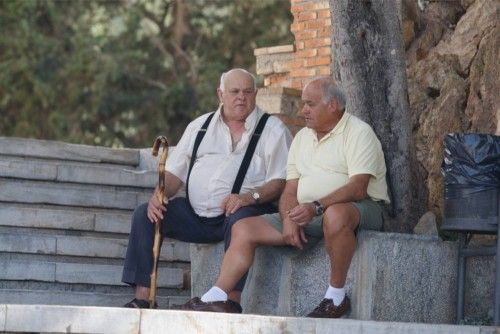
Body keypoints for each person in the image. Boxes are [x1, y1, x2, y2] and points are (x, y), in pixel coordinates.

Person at [179, 77, 390, 317]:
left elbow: (358, 188)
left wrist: (317, 206)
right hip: (309, 211)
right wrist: (289, 218)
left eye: (310, 104)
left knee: (336, 214)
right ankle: (218, 296)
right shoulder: (302, 138)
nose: (304, 110)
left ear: (332, 105)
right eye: (303, 104)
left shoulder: (359, 132)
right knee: (244, 227)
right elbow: (290, 189)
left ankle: (336, 297)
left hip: (357, 208)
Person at [121, 68, 292, 310]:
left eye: (247, 92)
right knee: (145, 215)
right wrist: (159, 195)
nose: (241, 97)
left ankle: (230, 300)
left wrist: (248, 197)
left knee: (242, 219)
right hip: (195, 215)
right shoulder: (199, 126)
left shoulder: (273, 130)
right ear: (220, 94)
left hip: (240, 212)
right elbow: (174, 173)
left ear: (256, 94)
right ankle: (144, 298)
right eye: (234, 92)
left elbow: (280, 181)